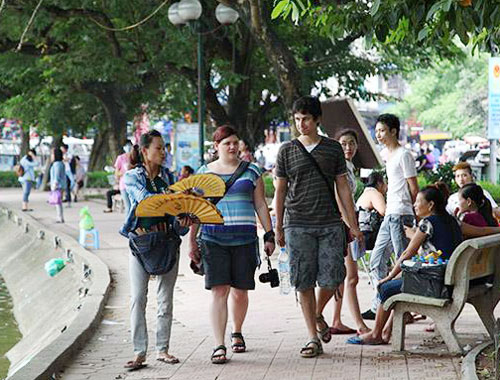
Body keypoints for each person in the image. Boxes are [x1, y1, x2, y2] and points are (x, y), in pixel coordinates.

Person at [274, 96, 362, 358]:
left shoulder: (333, 149)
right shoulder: (286, 150)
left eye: (306, 119)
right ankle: (313, 337)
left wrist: (353, 224)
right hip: (297, 223)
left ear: (317, 120)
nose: (302, 124)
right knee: (303, 280)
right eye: (297, 119)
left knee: (333, 276)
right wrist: (277, 227)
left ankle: (315, 314)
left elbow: (343, 189)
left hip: (329, 223)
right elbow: (280, 191)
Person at [188, 125, 275, 364]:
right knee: (219, 290)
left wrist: (269, 234)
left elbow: (259, 205)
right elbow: (196, 210)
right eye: (227, 143)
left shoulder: (251, 171)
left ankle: (237, 331)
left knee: (240, 292)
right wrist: (191, 242)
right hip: (213, 238)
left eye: (235, 142)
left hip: (245, 239)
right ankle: (219, 344)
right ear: (216, 147)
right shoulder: (203, 174)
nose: (233, 147)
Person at [347, 183, 463, 345]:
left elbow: (407, 253)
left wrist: (388, 276)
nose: (414, 205)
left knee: (385, 288)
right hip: (452, 280)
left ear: (430, 205)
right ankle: (387, 331)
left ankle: (376, 334)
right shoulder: (452, 221)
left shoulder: (427, 223)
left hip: (436, 284)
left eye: (418, 201)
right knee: (399, 283)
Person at [119, 130, 193, 370]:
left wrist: (183, 220)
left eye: (164, 148)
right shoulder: (132, 177)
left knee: (165, 300)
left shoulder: (170, 179)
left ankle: (163, 349)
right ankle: (139, 352)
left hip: (167, 242)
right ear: (144, 151)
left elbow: (178, 226)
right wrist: (174, 199)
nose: (163, 152)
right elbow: (144, 200)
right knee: (138, 298)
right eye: (159, 148)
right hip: (140, 245)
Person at [363, 114, 419, 321]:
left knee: (403, 262)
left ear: (394, 131)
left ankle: (405, 310)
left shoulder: (404, 155)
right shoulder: (388, 155)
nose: (378, 134)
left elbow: (413, 187)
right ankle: (383, 304)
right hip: (390, 214)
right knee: (376, 261)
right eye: (376, 131)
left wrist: (414, 214)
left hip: (401, 214)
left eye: (382, 130)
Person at [316, 129, 370, 339]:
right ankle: (358, 323)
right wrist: (352, 228)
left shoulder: (348, 166)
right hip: (342, 226)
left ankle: (336, 320)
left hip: (344, 225)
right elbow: (340, 198)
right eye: (344, 144)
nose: (348, 148)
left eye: (351, 143)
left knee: (343, 277)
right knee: (351, 277)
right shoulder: (339, 167)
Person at [356, 172, 387, 250]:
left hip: (361, 235)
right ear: (379, 183)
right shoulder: (374, 193)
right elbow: (385, 212)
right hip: (368, 236)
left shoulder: (364, 194)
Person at [104, 142, 132, 214]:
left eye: (130, 145)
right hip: (124, 185)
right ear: (124, 147)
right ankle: (128, 224)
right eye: (126, 146)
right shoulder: (121, 158)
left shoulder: (134, 157)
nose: (128, 147)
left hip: (133, 185)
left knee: (134, 207)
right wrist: (124, 172)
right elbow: (116, 173)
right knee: (128, 206)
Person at [50, 148, 67, 223]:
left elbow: (56, 176)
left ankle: (59, 217)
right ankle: (60, 217)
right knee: (58, 202)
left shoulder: (56, 164)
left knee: (57, 202)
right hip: (61, 185)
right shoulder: (61, 163)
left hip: (57, 185)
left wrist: (54, 185)